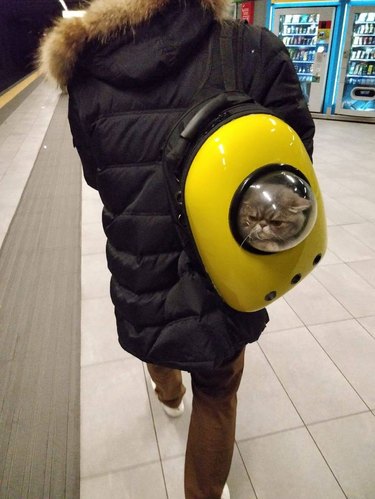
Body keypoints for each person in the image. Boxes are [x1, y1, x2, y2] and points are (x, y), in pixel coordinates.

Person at [39, 1, 315, 497]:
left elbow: (96, 175)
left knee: (157, 330)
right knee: (219, 390)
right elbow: (295, 160)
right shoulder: (250, 48)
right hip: (226, 266)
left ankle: (167, 394)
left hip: (140, 257)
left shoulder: (86, 73)